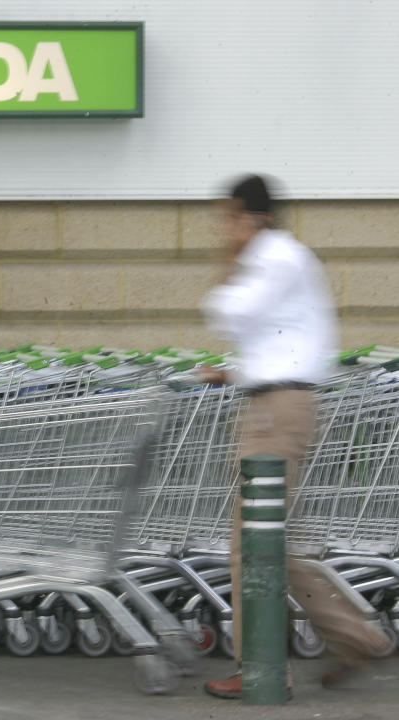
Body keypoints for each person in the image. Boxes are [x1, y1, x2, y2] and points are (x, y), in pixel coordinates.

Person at [199, 174, 392, 699]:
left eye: (229, 218)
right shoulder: (283, 258)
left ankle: (259, 667)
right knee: (272, 542)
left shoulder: (274, 258)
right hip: (275, 402)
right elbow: (280, 338)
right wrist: (236, 372)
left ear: (250, 215)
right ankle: (359, 638)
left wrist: (228, 256)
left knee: (251, 544)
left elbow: (230, 312)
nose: (224, 228)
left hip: (276, 410)